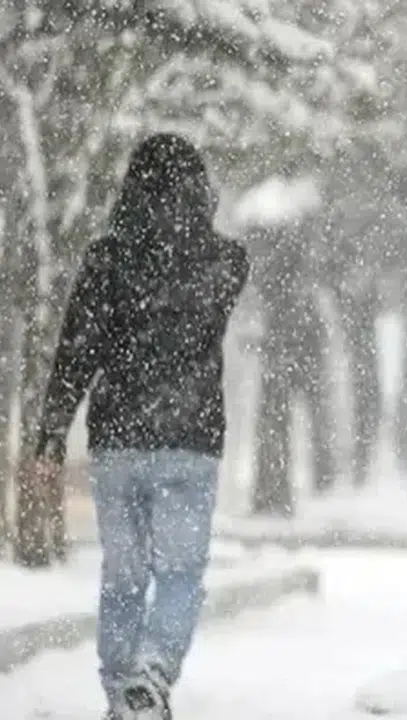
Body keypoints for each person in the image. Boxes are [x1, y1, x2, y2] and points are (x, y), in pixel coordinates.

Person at [22, 133, 250, 720]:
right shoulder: (225, 261)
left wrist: (51, 432)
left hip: (119, 440)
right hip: (190, 441)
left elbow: (77, 349)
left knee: (124, 575)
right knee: (179, 573)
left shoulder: (106, 258)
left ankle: (122, 695)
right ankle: (151, 676)